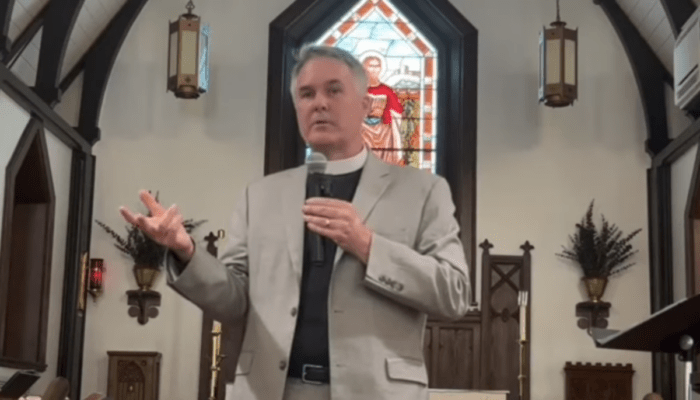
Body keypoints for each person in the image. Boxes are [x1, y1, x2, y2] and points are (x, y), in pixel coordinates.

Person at [118, 45, 470, 400]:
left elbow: (454, 294)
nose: (319, 103)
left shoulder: (422, 191)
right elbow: (234, 301)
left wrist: (367, 245)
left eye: (334, 90)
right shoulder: (261, 196)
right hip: (273, 390)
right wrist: (187, 252)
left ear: (366, 105)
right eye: (307, 94)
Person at [360, 54, 404, 165]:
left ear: (381, 69)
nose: (374, 69)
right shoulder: (357, 89)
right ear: (364, 68)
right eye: (371, 66)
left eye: (377, 66)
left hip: (383, 132)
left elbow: (396, 112)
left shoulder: (387, 90)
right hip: (362, 130)